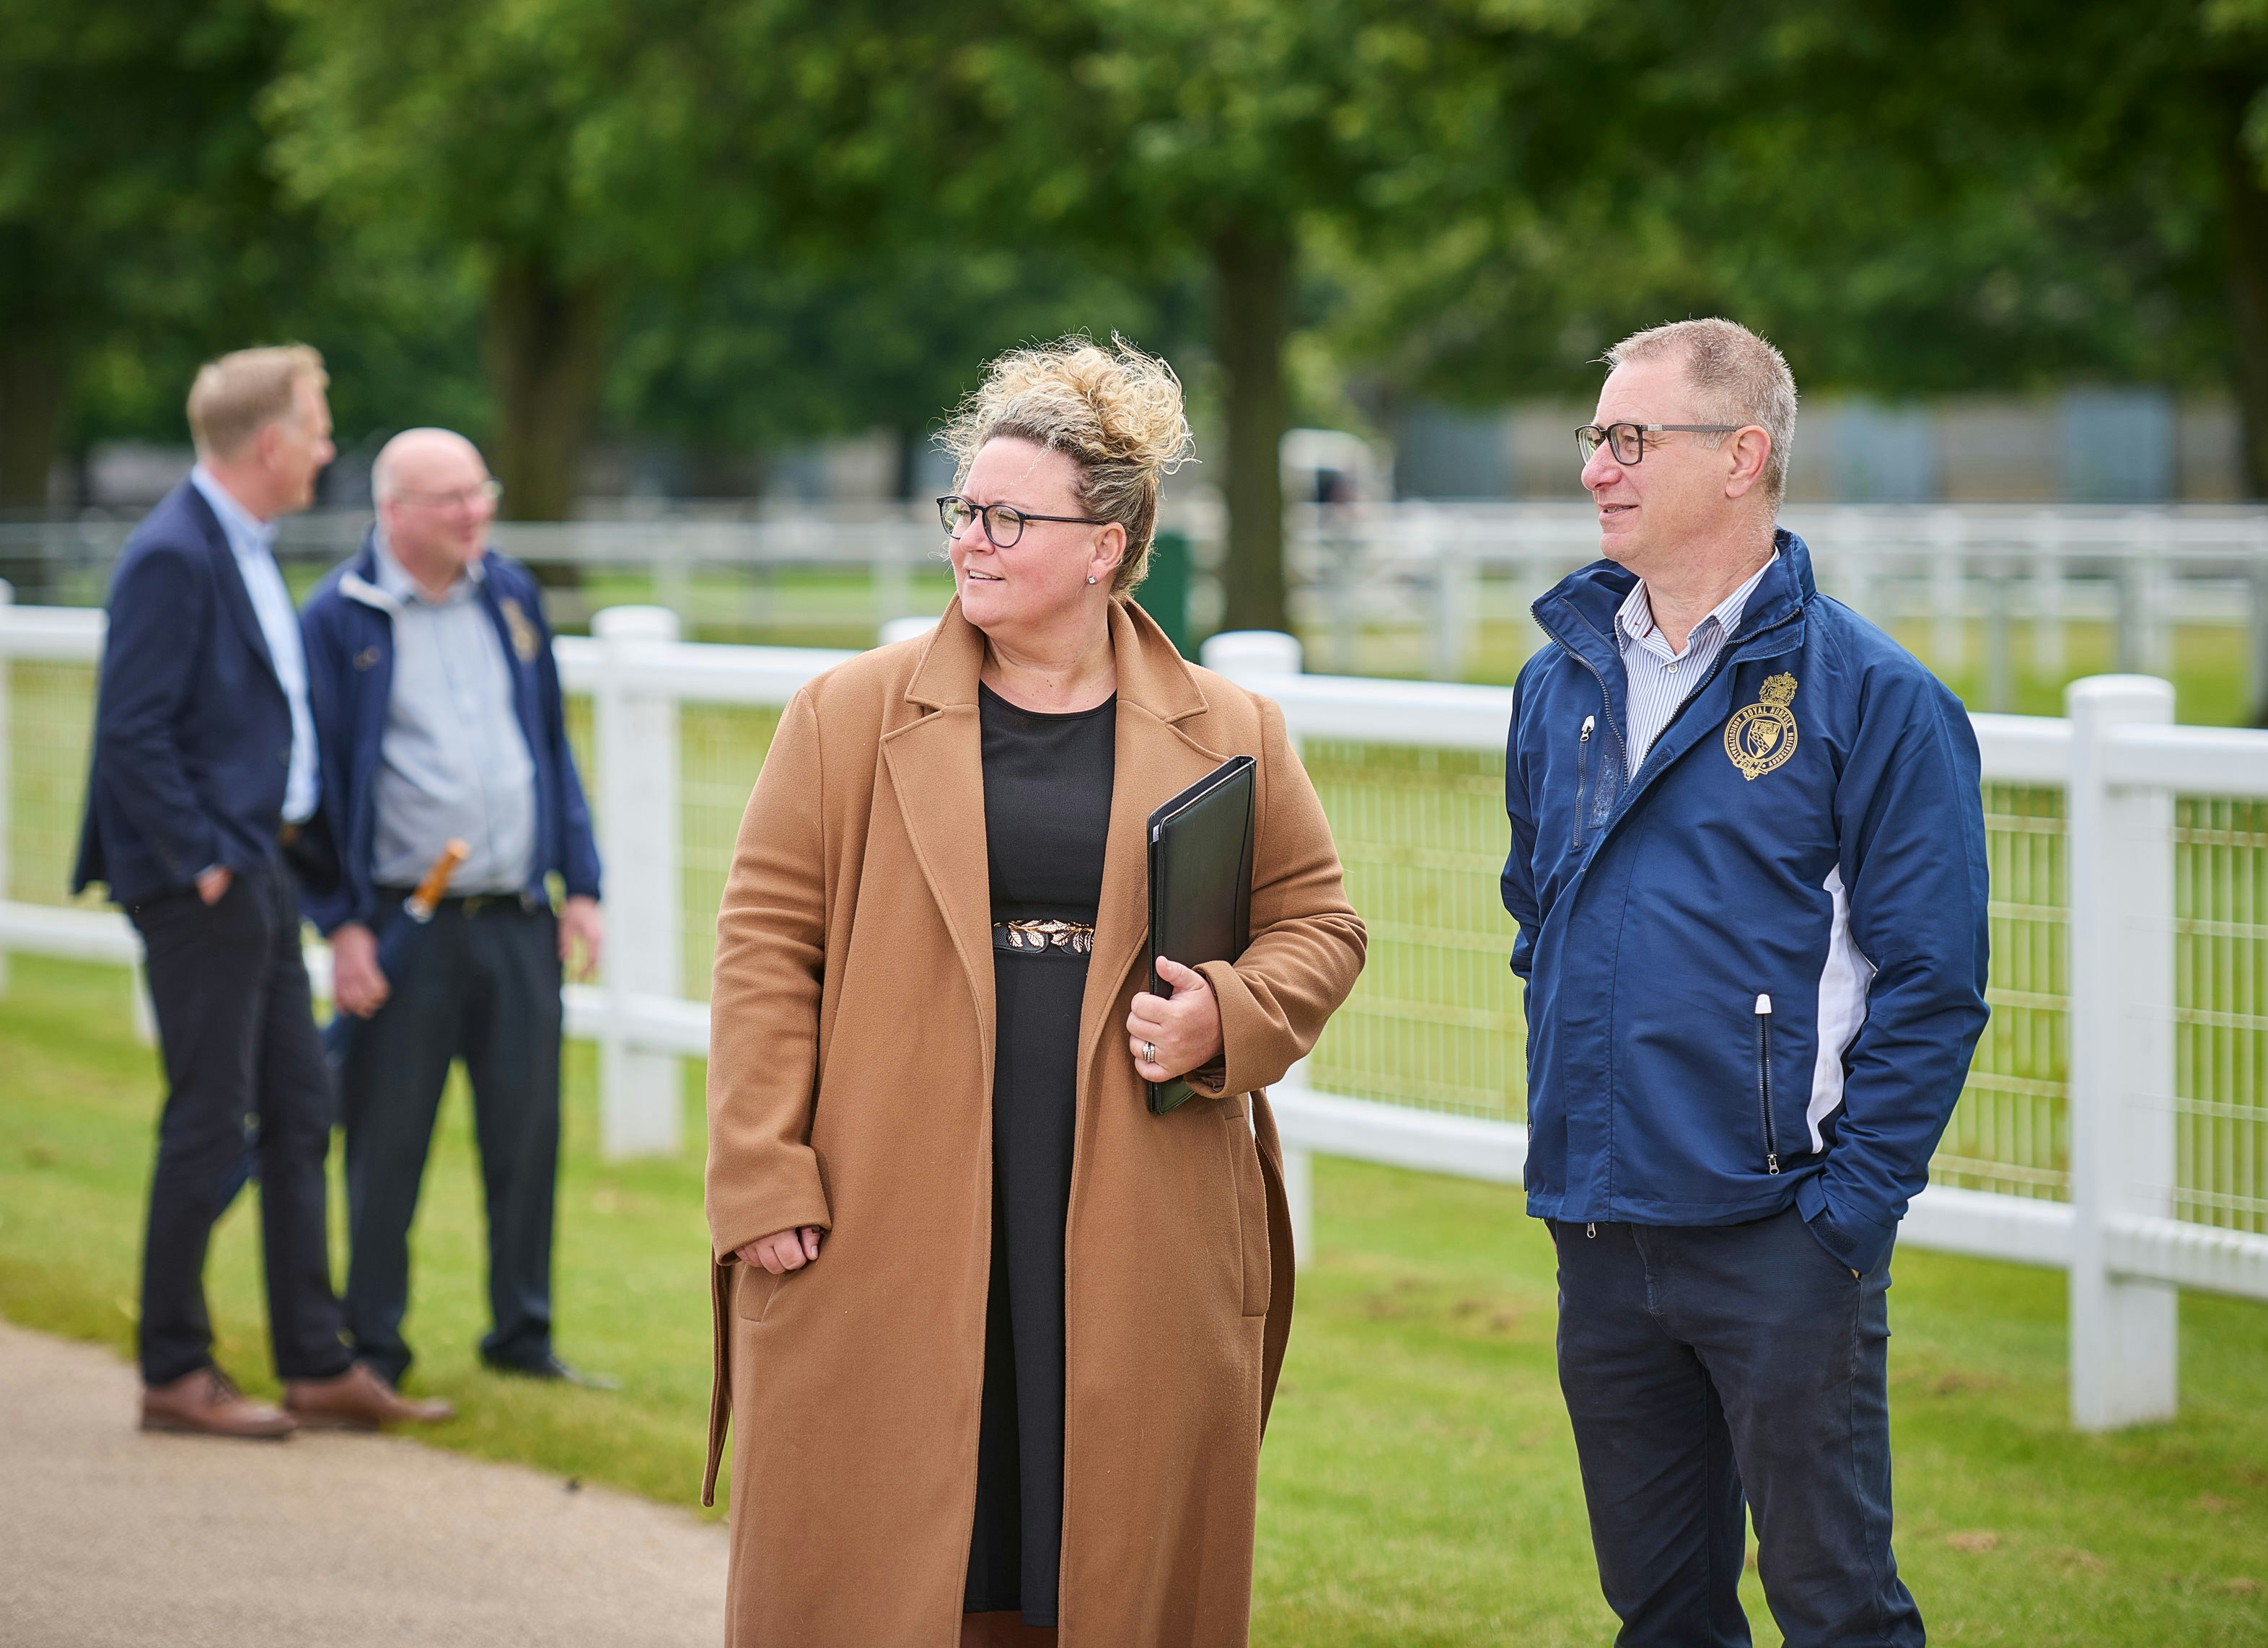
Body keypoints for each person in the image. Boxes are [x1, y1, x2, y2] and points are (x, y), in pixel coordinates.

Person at [703, 338, 1366, 1647]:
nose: (972, 539)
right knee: (904, 1533)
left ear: (1106, 545)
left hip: (1140, 1194)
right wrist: (762, 1170)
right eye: (965, 509)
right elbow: (766, 949)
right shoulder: (843, 715)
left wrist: (1224, 1016)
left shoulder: (1234, 729)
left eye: (1009, 518)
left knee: (1100, 1533)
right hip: (888, 1187)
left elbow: (1319, 926)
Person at [1501, 318, 1990, 1647]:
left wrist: (1845, 1214)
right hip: (1600, 1231)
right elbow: (1539, 917)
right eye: (1596, 437)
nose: (1596, 467)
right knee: (1659, 1613)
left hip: (1784, 1237)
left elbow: (1934, 986)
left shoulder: (1876, 699)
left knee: (1836, 1610)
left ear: (1741, 457)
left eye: (1630, 438)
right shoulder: (1559, 684)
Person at [74, 346, 451, 1438]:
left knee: (299, 1111)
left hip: (261, 869)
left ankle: (314, 1362)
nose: (327, 453)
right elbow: (131, 730)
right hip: (209, 880)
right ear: (274, 442)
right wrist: (202, 862)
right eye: (319, 431)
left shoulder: (240, 546)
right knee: (209, 1120)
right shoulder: (174, 553)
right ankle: (173, 1370)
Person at [296, 428, 605, 1390]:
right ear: (392, 511)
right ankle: (374, 1346)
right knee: (387, 1141)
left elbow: (548, 745)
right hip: (406, 925)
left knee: (527, 1136)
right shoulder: (338, 618)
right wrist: (343, 924)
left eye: (481, 492)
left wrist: (581, 884)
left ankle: (522, 1334)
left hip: (517, 916)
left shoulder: (510, 594)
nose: (476, 513)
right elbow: (317, 786)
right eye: (451, 500)